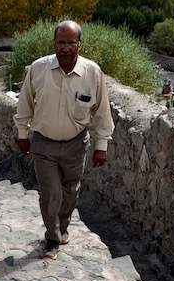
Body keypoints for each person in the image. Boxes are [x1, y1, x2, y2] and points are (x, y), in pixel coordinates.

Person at [14, 20, 114, 259]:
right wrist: (22, 134)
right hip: (44, 143)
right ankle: (52, 238)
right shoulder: (38, 69)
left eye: (71, 43)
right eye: (61, 43)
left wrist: (101, 145)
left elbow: (101, 111)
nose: (66, 48)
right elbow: (25, 103)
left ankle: (63, 226)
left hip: (76, 144)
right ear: (54, 44)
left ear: (79, 44)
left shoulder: (92, 73)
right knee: (50, 193)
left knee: (70, 191)